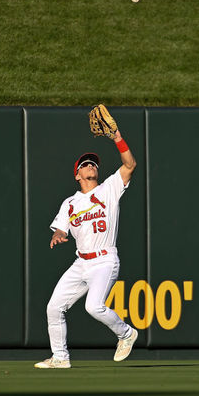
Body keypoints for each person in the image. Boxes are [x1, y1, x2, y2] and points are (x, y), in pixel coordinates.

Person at [34, 128, 138, 369]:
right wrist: (59, 233)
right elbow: (60, 228)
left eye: (93, 164)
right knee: (54, 307)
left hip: (104, 260)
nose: (91, 166)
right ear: (77, 175)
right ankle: (60, 357)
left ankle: (125, 334)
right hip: (81, 263)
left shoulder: (109, 188)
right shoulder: (69, 203)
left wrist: (117, 138)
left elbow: (130, 165)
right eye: (85, 164)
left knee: (94, 306)